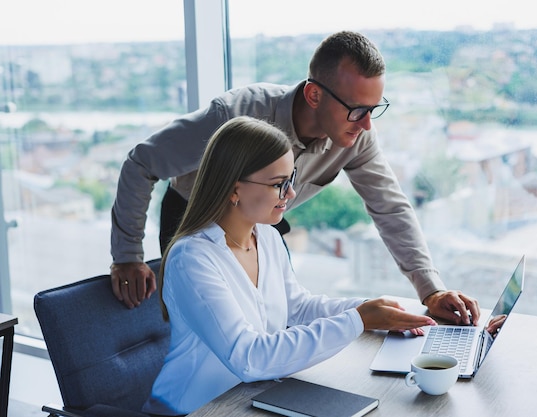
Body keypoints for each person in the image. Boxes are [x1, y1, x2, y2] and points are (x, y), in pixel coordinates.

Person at [110, 30, 480, 326]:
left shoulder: (358, 136)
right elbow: (142, 163)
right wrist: (127, 255)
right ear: (314, 94)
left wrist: (430, 291)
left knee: (282, 315)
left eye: (374, 109)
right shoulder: (235, 113)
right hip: (192, 217)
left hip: (263, 223)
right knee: (214, 330)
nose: (367, 124)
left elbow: (391, 208)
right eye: (356, 110)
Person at [141, 116, 437, 415]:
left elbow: (297, 308)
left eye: (291, 178)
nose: (292, 194)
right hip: (194, 409)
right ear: (234, 189)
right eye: (279, 184)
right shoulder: (192, 259)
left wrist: (371, 311)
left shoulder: (266, 237)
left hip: (253, 399)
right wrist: (356, 320)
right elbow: (249, 357)